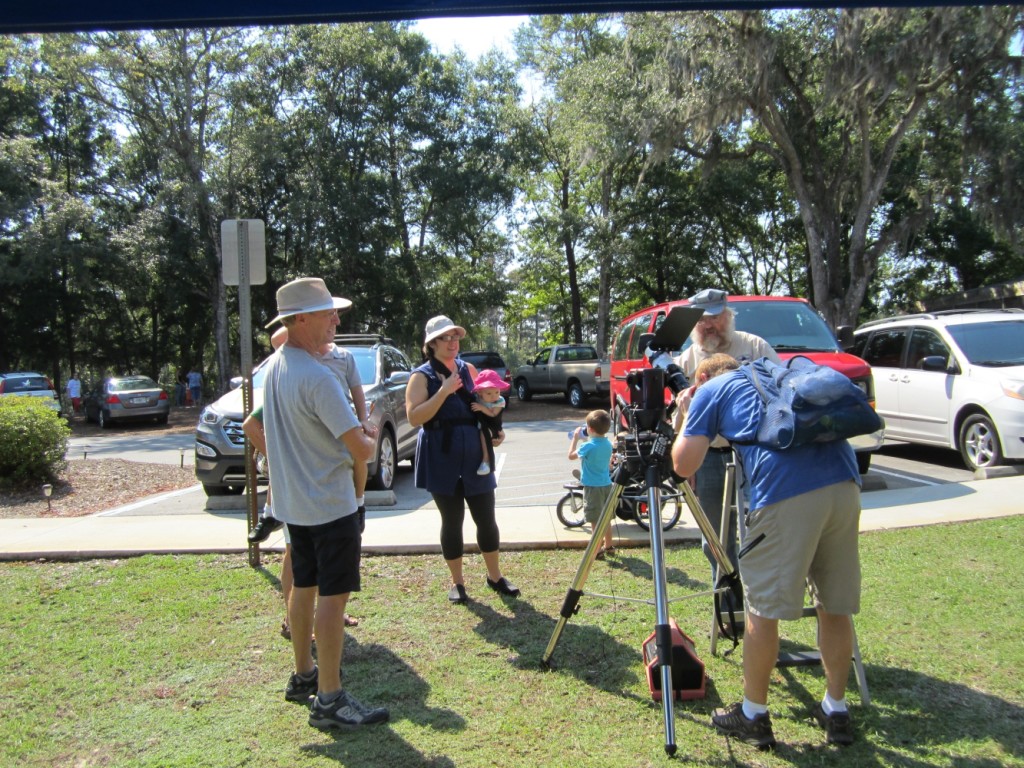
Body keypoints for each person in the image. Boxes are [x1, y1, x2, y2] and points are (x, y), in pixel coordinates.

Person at [672, 353, 861, 750]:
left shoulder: (711, 390)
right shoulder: (773, 374)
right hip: (844, 483)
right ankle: (836, 708)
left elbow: (683, 463)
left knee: (762, 610)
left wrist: (687, 413)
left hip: (784, 494)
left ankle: (754, 714)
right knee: (834, 605)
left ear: (702, 376)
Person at [262, 277, 388, 730]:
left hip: (296, 505)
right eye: (328, 312)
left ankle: (303, 675)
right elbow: (362, 448)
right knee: (332, 600)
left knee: (303, 587)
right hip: (330, 505)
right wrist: (371, 426)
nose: (337, 319)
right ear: (299, 319)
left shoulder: (278, 364)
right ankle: (330, 699)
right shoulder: (317, 376)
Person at [673, 288, 781, 622]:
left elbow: (781, 393)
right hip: (708, 460)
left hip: (753, 456)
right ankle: (730, 615)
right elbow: (677, 422)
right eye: (702, 319)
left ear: (728, 316)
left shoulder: (754, 347)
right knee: (715, 542)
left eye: (715, 316)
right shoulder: (684, 361)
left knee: (758, 535)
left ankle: (762, 613)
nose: (709, 325)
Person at [405, 315, 519, 605]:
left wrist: (496, 428)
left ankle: (494, 576)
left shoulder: (469, 369)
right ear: (431, 343)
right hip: (440, 453)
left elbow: (487, 402)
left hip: (475, 452)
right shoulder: (421, 376)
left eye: (456, 337)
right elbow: (414, 417)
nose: (453, 342)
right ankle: (457, 582)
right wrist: (443, 392)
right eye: (446, 338)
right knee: (452, 521)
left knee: (486, 518)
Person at [242, 403, 359, 638]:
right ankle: (292, 620)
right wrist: (277, 459)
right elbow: (250, 425)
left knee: (317, 555)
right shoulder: (292, 383)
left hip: (318, 487)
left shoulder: (326, 382)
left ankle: (328, 613)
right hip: (295, 488)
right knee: (294, 551)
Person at [567, 409, 615, 558]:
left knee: (595, 519)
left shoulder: (587, 446)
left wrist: (575, 438)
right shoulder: (607, 444)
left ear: (590, 429)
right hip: (606, 484)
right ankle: (609, 545)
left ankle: (597, 549)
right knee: (606, 517)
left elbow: (570, 456)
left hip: (592, 487)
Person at [470, 369, 509, 476]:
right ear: (479, 392)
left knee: (485, 434)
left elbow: (493, 414)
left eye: (497, 392)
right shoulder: (477, 398)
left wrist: (482, 408)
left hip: (492, 426)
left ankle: (486, 460)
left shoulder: (500, 401)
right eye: (489, 393)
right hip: (479, 424)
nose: (494, 396)